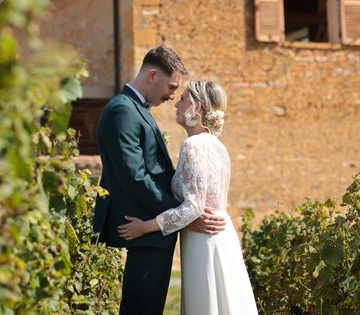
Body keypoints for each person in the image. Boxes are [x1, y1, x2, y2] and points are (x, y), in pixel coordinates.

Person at [93, 46, 225, 315]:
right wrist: (183, 213)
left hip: (152, 229)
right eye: (172, 86)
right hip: (144, 229)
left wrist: (184, 212)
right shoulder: (123, 111)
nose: (173, 95)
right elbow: (135, 177)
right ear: (153, 75)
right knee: (141, 309)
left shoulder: (135, 109)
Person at [117, 79, 258, 314]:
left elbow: (192, 207)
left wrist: (145, 227)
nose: (176, 105)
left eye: (182, 99)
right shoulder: (218, 146)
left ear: (197, 107)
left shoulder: (193, 146)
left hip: (204, 240)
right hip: (222, 236)